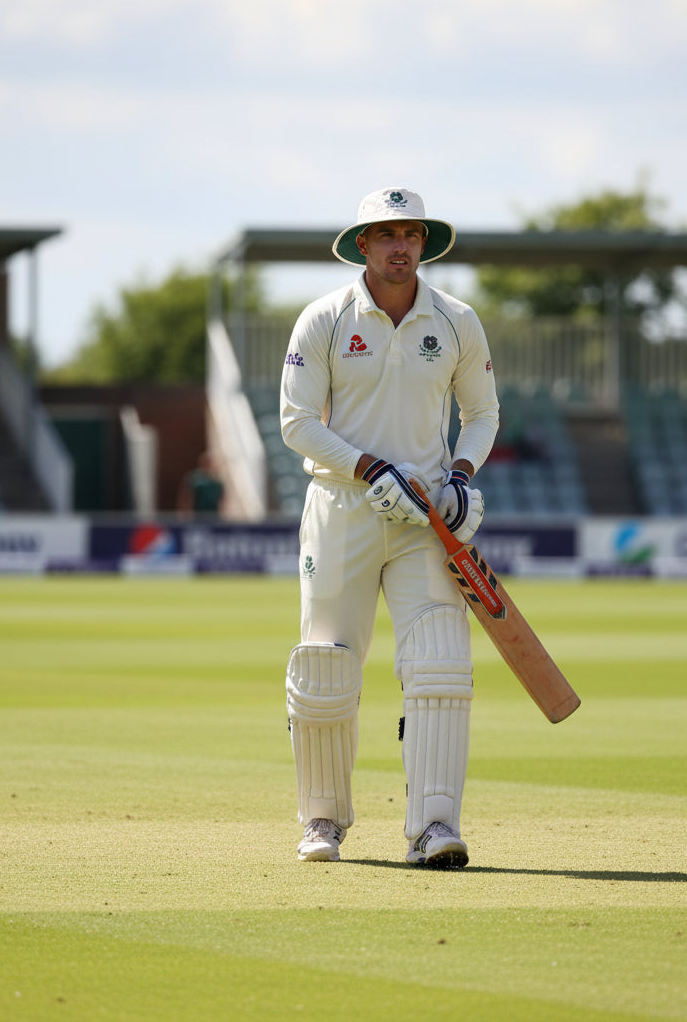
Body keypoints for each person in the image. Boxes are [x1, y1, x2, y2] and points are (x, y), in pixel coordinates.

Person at [280, 187, 499, 869]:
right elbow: (298, 422)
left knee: (439, 664)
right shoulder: (323, 318)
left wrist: (460, 476)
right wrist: (371, 467)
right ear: (363, 245)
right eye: (386, 234)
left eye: (411, 234)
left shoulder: (457, 320)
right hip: (343, 508)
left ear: (423, 244)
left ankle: (434, 827)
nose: (400, 245)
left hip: (422, 517)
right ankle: (322, 819)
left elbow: (484, 414)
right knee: (326, 667)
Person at [177, 451, 224, 518]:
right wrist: (185, 513)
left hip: (213, 516)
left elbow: (221, 500)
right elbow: (186, 497)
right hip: (197, 515)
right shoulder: (194, 478)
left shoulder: (217, 482)